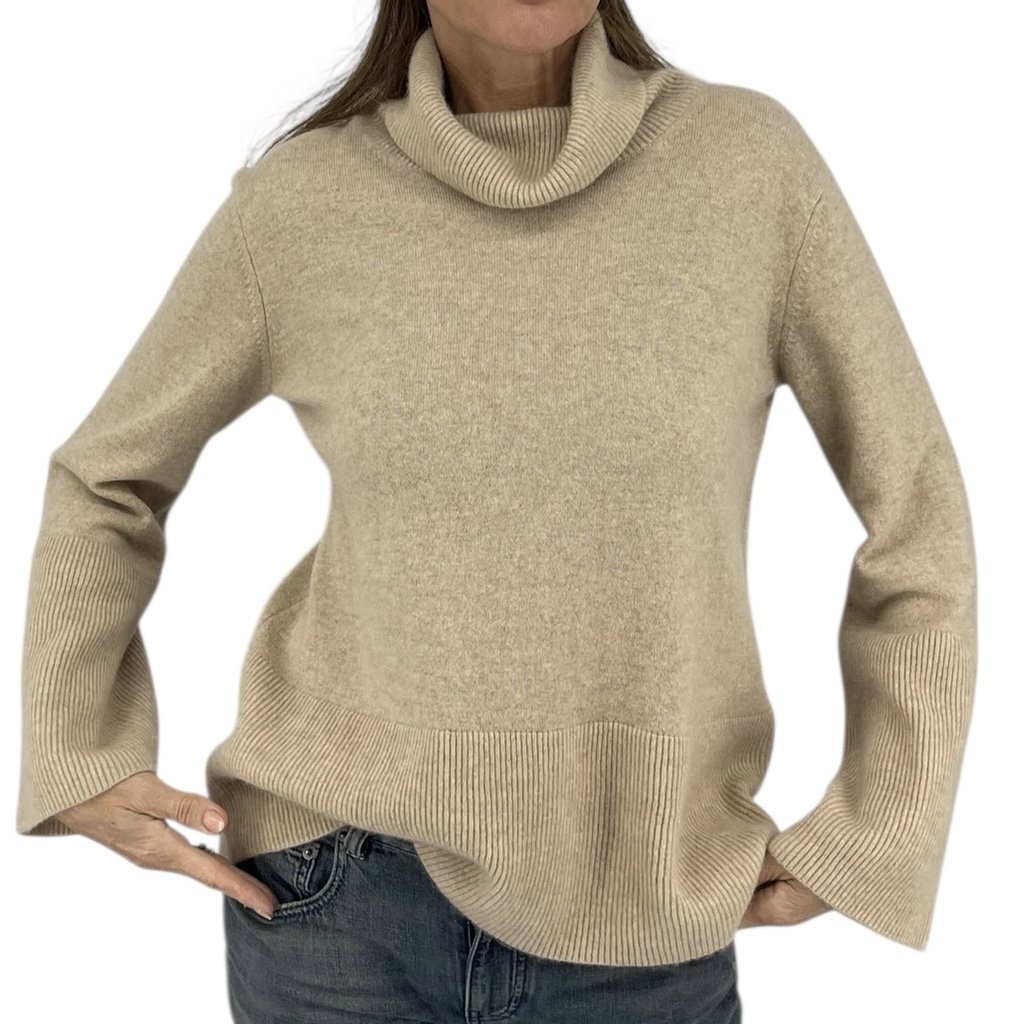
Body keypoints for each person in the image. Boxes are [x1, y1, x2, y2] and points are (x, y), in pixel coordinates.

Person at [15, 1, 977, 1021]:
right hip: (339, 903)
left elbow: (917, 509)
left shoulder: (746, 168)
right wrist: (76, 750)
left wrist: (877, 828)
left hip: (646, 901)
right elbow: (107, 477)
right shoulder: (304, 203)